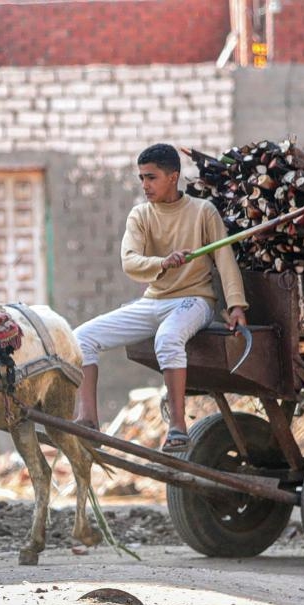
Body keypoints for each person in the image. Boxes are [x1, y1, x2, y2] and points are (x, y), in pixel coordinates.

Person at [73, 143, 248, 452]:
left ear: (173, 177)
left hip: (194, 301)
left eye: (151, 178)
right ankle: (88, 421)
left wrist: (236, 306)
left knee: (167, 339)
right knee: (82, 338)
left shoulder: (202, 211)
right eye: (141, 178)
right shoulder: (140, 215)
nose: (145, 185)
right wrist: (162, 262)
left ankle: (178, 427)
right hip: (153, 301)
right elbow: (130, 262)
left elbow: (225, 260)